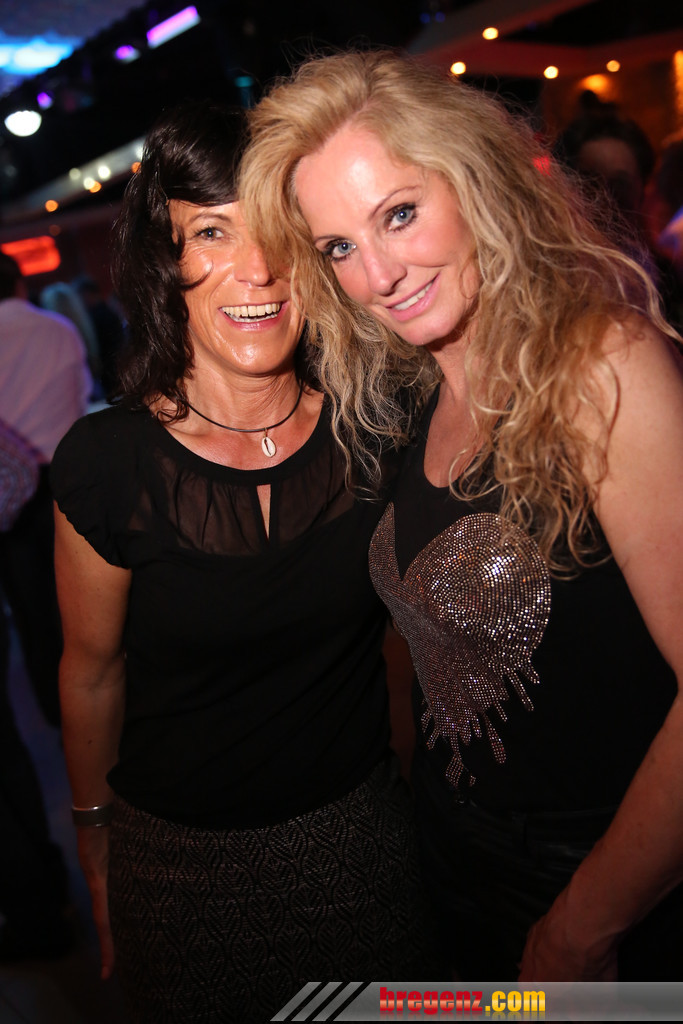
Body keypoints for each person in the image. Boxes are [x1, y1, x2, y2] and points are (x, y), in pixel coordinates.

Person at [239, 51, 683, 981]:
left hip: (602, 881)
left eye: (398, 214)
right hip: (450, 860)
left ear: (474, 180)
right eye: (338, 248)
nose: (378, 275)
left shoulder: (597, 365)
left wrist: (583, 926)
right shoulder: (408, 399)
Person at [51, 98, 432, 1023]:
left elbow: (397, 642)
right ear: (165, 260)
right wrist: (95, 841)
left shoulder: (375, 428)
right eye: (212, 233)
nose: (256, 269)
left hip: (360, 845)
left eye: (276, 233)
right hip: (179, 874)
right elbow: (92, 673)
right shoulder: (107, 463)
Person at [0, 252, 91, 728]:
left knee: (33, 614)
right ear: (19, 283)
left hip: (9, 496)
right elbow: (80, 398)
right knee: (90, 607)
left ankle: (62, 725)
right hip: (67, 478)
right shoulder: (57, 328)